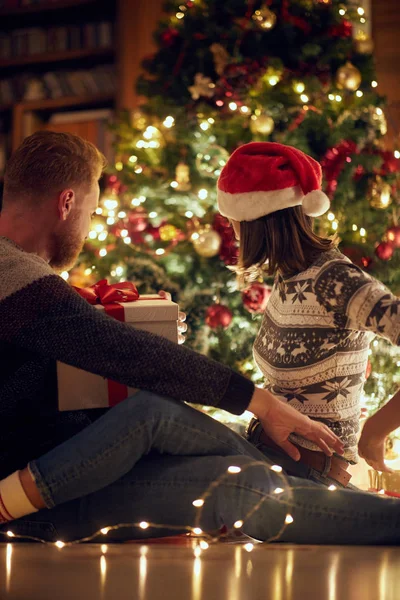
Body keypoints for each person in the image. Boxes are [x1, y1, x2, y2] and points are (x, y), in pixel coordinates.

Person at [0, 131, 399, 546]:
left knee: (166, 421)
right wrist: (260, 402)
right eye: (92, 212)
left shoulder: (19, 274)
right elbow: (121, 352)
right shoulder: (12, 273)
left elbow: (88, 354)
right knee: (236, 486)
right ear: (67, 203)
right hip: (41, 501)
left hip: (79, 466)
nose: (88, 226)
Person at [216, 141, 400, 488]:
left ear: (252, 221)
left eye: (231, 219)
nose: (231, 229)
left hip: (311, 477)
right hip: (271, 458)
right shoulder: (290, 276)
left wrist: (376, 430)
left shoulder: (335, 280)